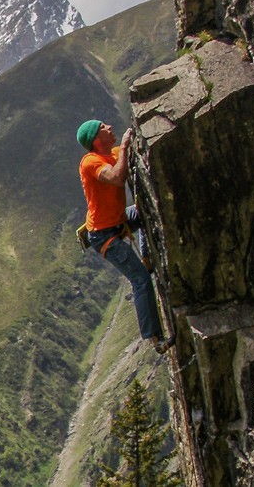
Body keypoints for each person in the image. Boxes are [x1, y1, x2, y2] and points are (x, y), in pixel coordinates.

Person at [75, 119, 171, 353]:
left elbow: (124, 158)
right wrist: (126, 144)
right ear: (96, 140)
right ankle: (154, 338)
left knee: (143, 210)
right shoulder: (91, 162)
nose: (109, 127)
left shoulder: (110, 153)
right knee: (140, 280)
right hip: (103, 234)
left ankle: (147, 257)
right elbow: (117, 177)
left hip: (115, 221)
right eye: (103, 127)